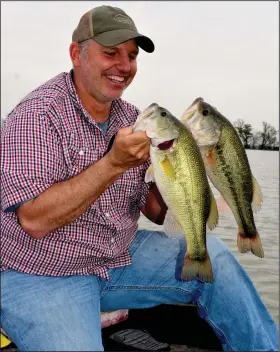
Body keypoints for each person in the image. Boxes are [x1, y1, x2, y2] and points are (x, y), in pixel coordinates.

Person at [0, 5, 278, 352]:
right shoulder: (36, 117)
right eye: (110, 53)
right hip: (41, 274)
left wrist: (190, 176)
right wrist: (113, 164)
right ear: (77, 54)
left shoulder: (133, 118)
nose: (124, 66)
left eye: (131, 56)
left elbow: (156, 212)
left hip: (116, 259)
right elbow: (34, 219)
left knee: (216, 257)